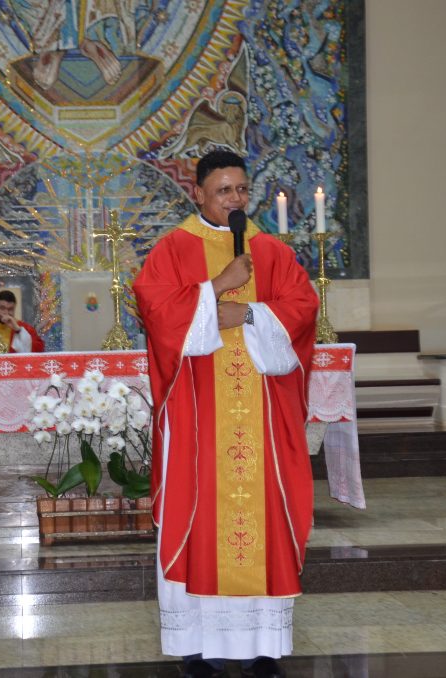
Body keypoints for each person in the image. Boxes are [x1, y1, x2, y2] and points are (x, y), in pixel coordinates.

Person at [132, 150, 318, 678]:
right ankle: (199, 646)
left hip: (262, 416)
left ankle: (262, 648)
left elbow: (303, 311)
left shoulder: (272, 251)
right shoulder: (173, 248)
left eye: (241, 189)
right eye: (223, 191)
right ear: (198, 193)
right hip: (199, 419)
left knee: (263, 522)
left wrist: (251, 312)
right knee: (201, 518)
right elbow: (156, 311)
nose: (235, 200)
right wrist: (216, 287)